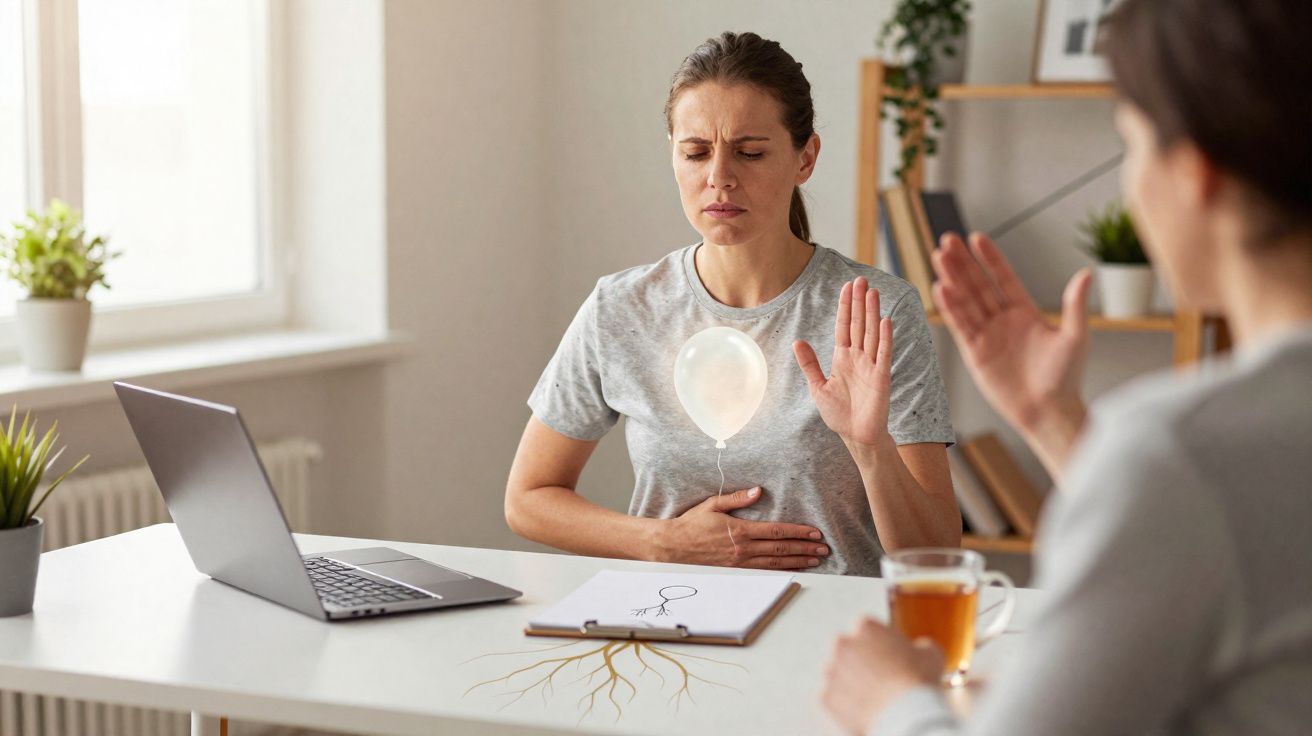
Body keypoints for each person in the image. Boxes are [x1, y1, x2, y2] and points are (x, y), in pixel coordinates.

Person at [821, 0, 1312, 732]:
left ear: (1195, 173)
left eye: (1131, 145)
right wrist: (1053, 421)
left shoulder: (1177, 451)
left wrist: (894, 701)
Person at [505, 32, 959, 577]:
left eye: (750, 152)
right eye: (695, 152)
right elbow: (529, 499)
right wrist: (662, 543)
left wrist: (871, 447)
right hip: (665, 626)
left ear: (805, 158)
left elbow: (936, 555)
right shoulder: (621, 308)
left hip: (829, 638)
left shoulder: (875, 311)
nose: (719, 176)